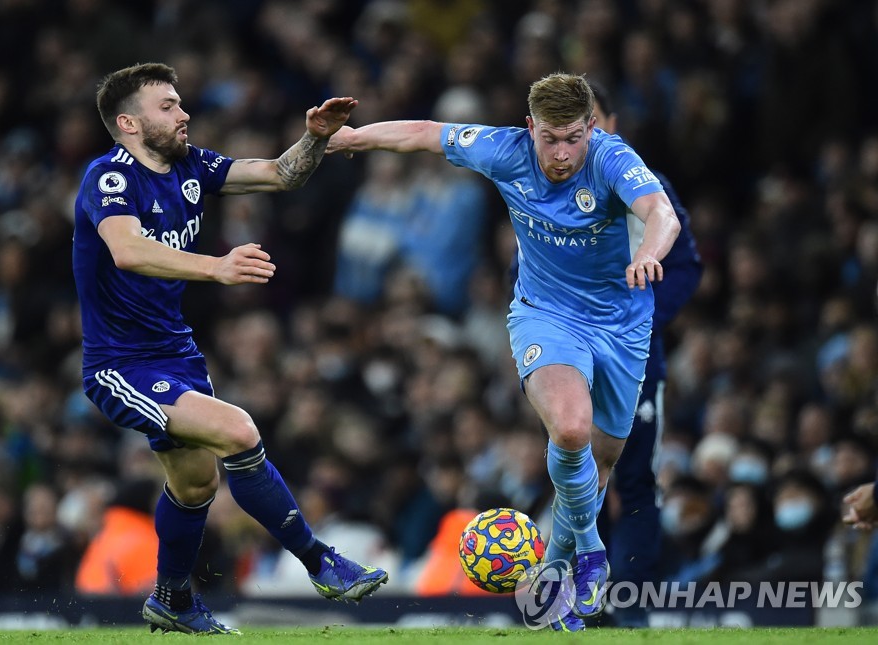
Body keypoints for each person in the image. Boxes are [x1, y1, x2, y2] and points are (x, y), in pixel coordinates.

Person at [327, 72, 680, 631]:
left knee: (599, 467)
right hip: (546, 316)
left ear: (590, 127)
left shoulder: (612, 157)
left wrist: (650, 255)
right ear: (528, 128)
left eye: (572, 138)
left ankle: (554, 593)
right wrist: (346, 139)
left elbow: (662, 213)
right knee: (570, 431)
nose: (561, 153)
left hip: (622, 327)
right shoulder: (504, 150)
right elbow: (423, 132)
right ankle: (590, 550)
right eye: (549, 138)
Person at [73, 63, 387, 635]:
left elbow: (280, 175)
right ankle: (321, 561)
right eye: (167, 106)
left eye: (180, 102)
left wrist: (313, 138)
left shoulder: (193, 166)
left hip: (177, 355)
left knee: (196, 485)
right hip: (121, 364)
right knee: (240, 432)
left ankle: (171, 600)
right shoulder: (108, 177)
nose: (183, 112)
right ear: (129, 123)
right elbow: (128, 250)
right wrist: (216, 266)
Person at [588, 82, 703, 627]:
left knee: (632, 481)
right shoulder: (545, 186)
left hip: (635, 361)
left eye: (590, 121)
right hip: (570, 362)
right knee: (580, 480)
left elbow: (685, 266)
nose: (580, 136)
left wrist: (637, 324)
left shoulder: (646, 189)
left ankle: (628, 604)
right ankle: (588, 599)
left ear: (611, 123)